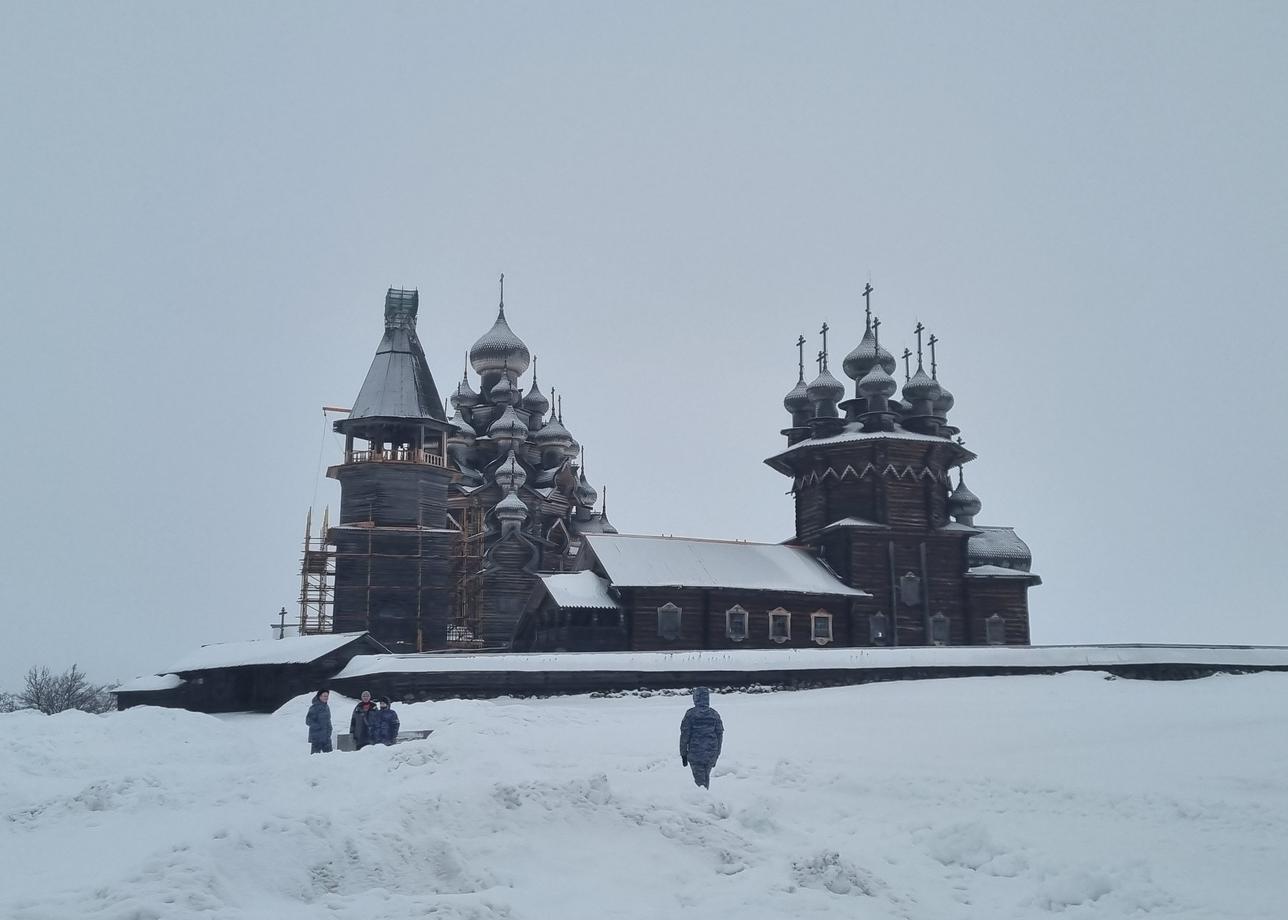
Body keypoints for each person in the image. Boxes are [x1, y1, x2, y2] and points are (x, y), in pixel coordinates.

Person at [679, 687, 724, 789]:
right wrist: (717, 754)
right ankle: (705, 798)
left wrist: (683, 754)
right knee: (705, 778)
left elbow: (684, 735)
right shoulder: (714, 714)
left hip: (695, 754)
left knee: (700, 782)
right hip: (710, 753)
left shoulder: (690, 714)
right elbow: (720, 735)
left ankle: (703, 801)